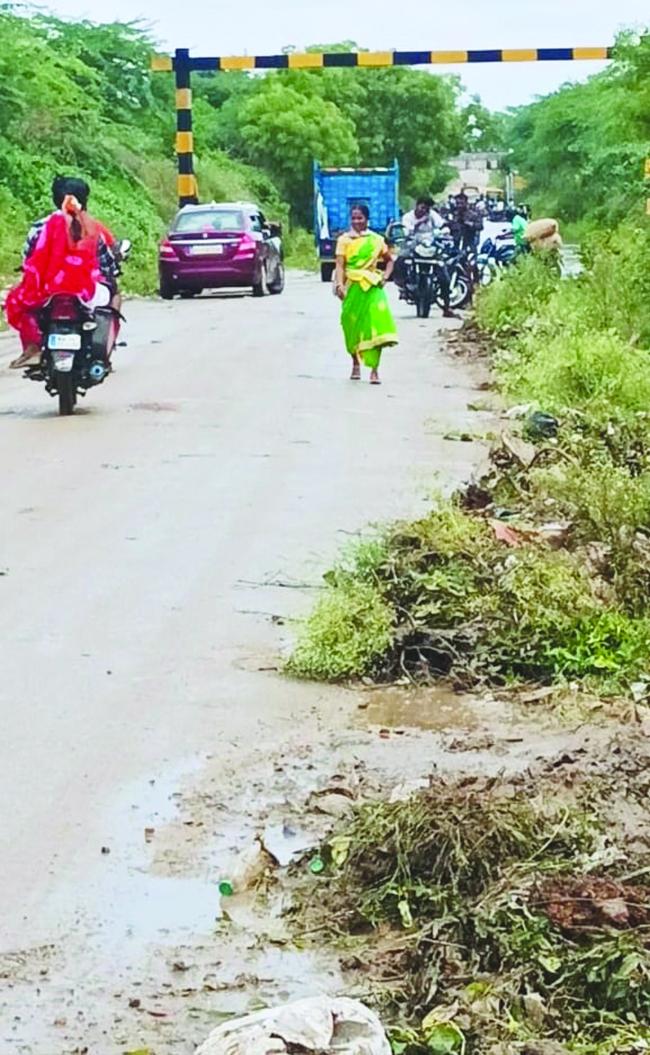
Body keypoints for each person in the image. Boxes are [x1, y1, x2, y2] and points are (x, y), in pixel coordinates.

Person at [6, 177, 118, 368]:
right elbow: (106, 264)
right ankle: (102, 350)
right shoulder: (91, 227)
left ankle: (33, 347)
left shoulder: (39, 227)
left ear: (55, 199)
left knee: (20, 300)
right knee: (113, 298)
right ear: (84, 199)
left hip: (46, 291)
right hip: (84, 292)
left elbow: (28, 260)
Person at [334, 204, 397, 385]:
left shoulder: (376, 240)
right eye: (353, 218)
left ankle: (375, 370)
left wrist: (384, 278)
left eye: (360, 218)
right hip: (351, 286)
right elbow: (340, 265)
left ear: (367, 219)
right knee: (351, 325)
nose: (356, 222)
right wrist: (340, 285)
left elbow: (389, 261)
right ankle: (355, 363)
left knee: (374, 327)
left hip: (372, 287)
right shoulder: (344, 240)